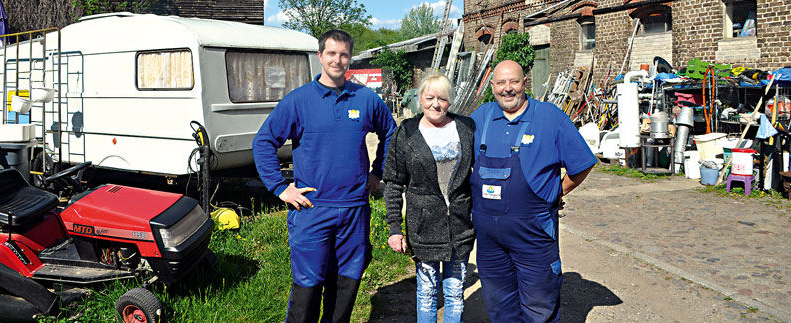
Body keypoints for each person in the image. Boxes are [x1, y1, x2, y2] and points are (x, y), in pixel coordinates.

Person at [252, 29, 397, 323]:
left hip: (355, 209)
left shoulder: (366, 99)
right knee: (308, 285)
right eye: (331, 53)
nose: (337, 60)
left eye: (344, 54)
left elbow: (392, 133)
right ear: (320, 56)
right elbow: (263, 142)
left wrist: (378, 172)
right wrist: (280, 188)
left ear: (350, 59)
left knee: (346, 283)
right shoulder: (299, 101)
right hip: (312, 210)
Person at [470, 60, 597, 322]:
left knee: (540, 307)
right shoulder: (480, 118)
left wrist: (556, 192)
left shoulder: (549, 117)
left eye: (513, 82)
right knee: (500, 307)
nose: (508, 89)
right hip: (489, 242)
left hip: (534, 237)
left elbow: (582, 165)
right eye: (501, 83)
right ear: (492, 86)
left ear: (525, 82)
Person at [383, 73, 476, 323]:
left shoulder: (466, 128)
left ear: (450, 101)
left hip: (459, 225)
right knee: (427, 292)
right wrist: (394, 228)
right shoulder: (407, 132)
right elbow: (393, 183)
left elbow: (479, 175)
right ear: (420, 99)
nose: (436, 104)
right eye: (430, 97)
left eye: (442, 98)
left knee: (455, 292)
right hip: (423, 227)